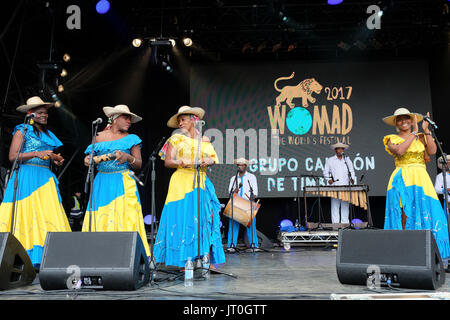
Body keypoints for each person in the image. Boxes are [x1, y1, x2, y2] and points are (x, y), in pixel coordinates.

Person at [0, 96, 71, 268]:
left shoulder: (48, 134)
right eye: (40, 113)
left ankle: (49, 256)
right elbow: (12, 156)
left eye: (45, 113)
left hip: (44, 177)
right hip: (27, 175)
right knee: (27, 213)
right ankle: (22, 254)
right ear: (30, 114)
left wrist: (55, 160)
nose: (44, 116)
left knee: (47, 214)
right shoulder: (22, 130)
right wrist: (35, 154)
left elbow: (49, 154)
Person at [153, 105, 225, 268]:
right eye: (178, 121)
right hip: (181, 181)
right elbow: (168, 162)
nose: (180, 123)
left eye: (183, 120)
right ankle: (182, 258)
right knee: (182, 218)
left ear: (194, 120)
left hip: (200, 180)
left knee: (204, 219)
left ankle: (205, 258)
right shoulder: (176, 139)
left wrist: (209, 160)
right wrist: (184, 162)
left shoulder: (204, 141)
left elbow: (213, 158)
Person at [382, 107, 450, 264]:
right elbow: (399, 151)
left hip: (421, 177)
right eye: (400, 119)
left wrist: (425, 131)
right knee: (405, 214)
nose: (403, 121)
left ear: (411, 120)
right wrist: (414, 133)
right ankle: (403, 251)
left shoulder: (420, 137)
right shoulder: (391, 138)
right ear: (396, 123)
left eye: (406, 118)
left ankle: (426, 251)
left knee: (428, 211)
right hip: (403, 178)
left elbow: (432, 151)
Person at [82, 104, 150, 257]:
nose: (129, 121)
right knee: (101, 217)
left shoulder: (132, 139)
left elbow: (139, 163)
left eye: (130, 119)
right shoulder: (98, 137)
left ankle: (125, 256)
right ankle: (99, 254)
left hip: (122, 180)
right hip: (102, 182)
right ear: (113, 118)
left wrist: (128, 157)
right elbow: (89, 158)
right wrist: (88, 159)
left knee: (124, 216)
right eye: (125, 117)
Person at [226, 158, 260, 252]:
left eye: (242, 165)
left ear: (245, 166)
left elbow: (255, 192)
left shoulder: (251, 177)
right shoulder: (233, 178)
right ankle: (231, 245)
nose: (240, 166)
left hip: (247, 204)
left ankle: (254, 245)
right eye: (238, 165)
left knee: (251, 226)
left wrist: (251, 198)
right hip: (236, 204)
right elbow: (230, 193)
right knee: (233, 226)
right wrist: (234, 191)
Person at [323, 143, 356, 224]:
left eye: (342, 149)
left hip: (345, 186)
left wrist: (352, 178)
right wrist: (329, 179)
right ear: (335, 150)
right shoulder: (330, 160)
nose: (340, 150)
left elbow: (352, 171)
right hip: (335, 186)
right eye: (338, 149)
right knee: (335, 207)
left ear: (343, 150)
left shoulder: (347, 160)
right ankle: (336, 225)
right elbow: (325, 172)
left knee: (345, 206)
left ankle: (345, 224)